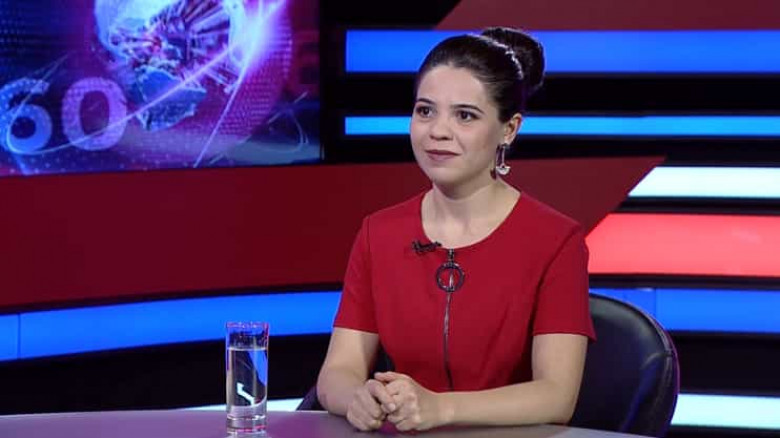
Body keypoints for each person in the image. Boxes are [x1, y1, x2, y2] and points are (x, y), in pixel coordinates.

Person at [316, 27, 595, 432]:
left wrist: (441, 408)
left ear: (509, 129)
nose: (437, 131)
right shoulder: (379, 233)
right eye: (425, 111)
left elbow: (556, 395)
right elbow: (337, 373)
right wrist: (357, 398)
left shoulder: (556, 240)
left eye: (464, 115)